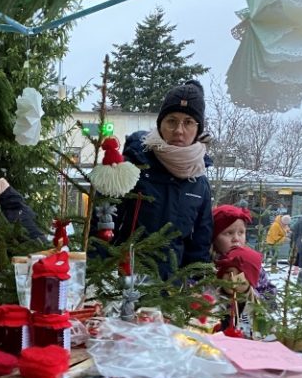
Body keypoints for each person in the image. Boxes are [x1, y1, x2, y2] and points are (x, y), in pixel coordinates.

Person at [92, 79, 213, 277]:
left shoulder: (199, 184)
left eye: (188, 122)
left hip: (171, 297)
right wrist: (98, 278)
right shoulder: (130, 167)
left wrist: (195, 293)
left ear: (198, 129)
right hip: (123, 288)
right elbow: (101, 230)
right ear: (160, 124)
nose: (179, 130)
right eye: (171, 120)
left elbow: (199, 249)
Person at [212, 204, 276, 307]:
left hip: (247, 320)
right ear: (214, 236)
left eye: (241, 233)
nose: (236, 238)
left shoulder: (251, 261)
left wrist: (247, 291)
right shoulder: (206, 265)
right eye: (229, 233)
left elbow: (269, 297)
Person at [0, 177, 49, 245]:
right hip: (44, 248)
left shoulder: (3, 217)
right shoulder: (26, 209)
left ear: (0, 201)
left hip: (28, 253)